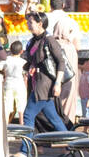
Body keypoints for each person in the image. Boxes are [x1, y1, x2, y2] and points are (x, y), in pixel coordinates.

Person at [20, 11, 67, 147]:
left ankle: (25, 149)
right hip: (37, 81)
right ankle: (69, 144)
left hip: (45, 83)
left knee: (28, 115)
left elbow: (61, 62)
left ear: (40, 24)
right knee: (54, 118)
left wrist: (57, 83)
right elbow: (33, 59)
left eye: (31, 22)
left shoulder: (49, 40)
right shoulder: (34, 40)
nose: (28, 25)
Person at [45, 0, 81, 122]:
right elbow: (77, 45)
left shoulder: (45, 19)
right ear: (64, 5)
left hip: (49, 59)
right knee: (69, 94)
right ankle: (67, 122)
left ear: (50, 6)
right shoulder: (71, 21)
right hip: (69, 58)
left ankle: (52, 123)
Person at [2, 41, 26, 123]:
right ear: (21, 51)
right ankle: (21, 124)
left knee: (7, 106)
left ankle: (5, 127)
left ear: (10, 50)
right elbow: (25, 74)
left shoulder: (6, 60)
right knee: (21, 106)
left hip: (8, 83)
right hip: (19, 84)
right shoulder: (23, 62)